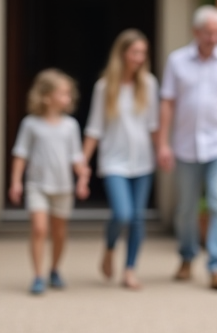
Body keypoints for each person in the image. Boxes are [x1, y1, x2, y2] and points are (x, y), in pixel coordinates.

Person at [156, 5, 217, 291]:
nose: (213, 38)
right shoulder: (177, 61)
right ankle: (187, 256)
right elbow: (167, 102)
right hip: (186, 146)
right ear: (196, 32)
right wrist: (162, 143)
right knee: (186, 209)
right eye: (209, 32)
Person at [84, 29, 160, 291]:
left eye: (143, 53)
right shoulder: (105, 87)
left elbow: (153, 125)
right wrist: (83, 162)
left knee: (138, 218)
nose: (140, 58)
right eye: (135, 52)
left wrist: (161, 150)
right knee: (123, 214)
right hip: (114, 161)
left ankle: (130, 269)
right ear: (122, 53)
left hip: (142, 161)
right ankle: (109, 246)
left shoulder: (149, 84)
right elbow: (94, 128)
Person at [9, 69, 89, 296]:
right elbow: (21, 154)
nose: (68, 98)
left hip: (63, 187)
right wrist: (16, 182)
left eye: (69, 93)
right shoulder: (31, 124)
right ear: (46, 96)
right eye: (63, 93)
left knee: (59, 233)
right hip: (37, 186)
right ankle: (37, 275)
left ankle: (54, 269)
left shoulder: (70, 126)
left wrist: (82, 177)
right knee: (39, 229)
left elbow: (76, 157)